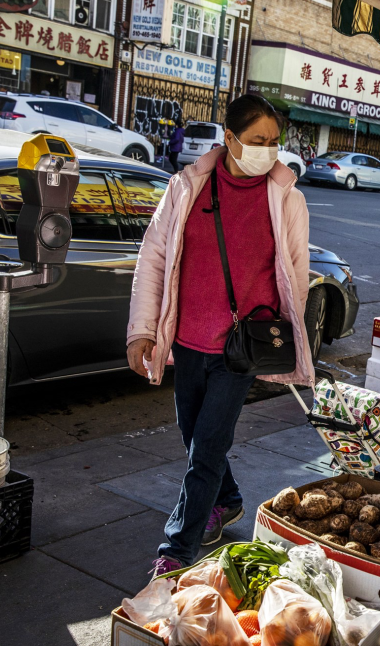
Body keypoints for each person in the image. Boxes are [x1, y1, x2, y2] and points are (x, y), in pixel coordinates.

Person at [127, 95, 314, 577]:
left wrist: (282, 327)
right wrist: (142, 331)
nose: (269, 151)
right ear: (228, 138)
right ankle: (227, 500)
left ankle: (177, 548)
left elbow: (297, 272)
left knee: (207, 447)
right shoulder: (186, 188)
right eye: (257, 141)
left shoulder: (287, 199)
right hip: (188, 341)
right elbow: (153, 259)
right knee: (195, 439)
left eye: (275, 142)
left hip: (241, 350)